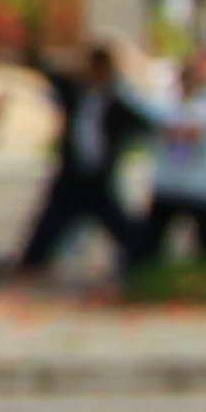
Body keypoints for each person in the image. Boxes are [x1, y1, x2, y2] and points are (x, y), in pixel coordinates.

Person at [15, 41, 150, 282]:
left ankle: (139, 261)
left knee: (119, 224)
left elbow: (144, 124)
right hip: (72, 174)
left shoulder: (117, 103)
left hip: (98, 176)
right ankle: (31, 264)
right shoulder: (75, 93)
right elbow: (46, 71)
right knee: (50, 222)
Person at [138, 51, 206, 268]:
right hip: (169, 183)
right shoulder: (167, 104)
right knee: (148, 245)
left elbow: (193, 131)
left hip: (203, 186)